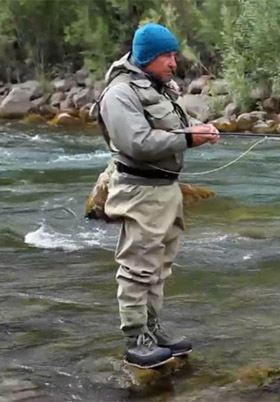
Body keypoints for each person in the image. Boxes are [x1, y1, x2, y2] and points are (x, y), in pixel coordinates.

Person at [94, 23, 219, 368]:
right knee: (137, 266)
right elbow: (138, 143)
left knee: (160, 265)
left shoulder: (156, 86)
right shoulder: (119, 94)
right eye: (168, 55)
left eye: (174, 54)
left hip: (164, 191)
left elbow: (172, 124)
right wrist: (189, 138)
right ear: (148, 56)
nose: (174, 62)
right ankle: (136, 338)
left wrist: (198, 128)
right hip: (138, 192)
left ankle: (153, 329)